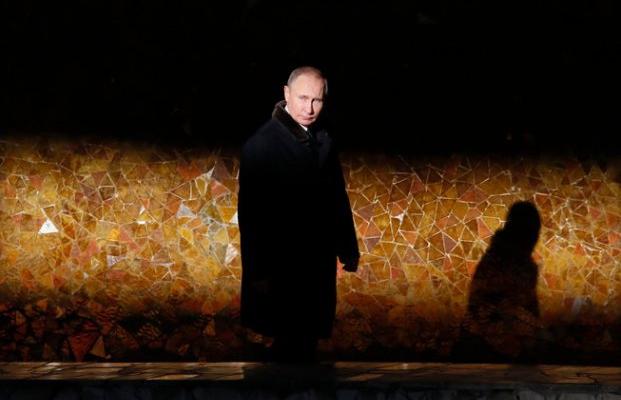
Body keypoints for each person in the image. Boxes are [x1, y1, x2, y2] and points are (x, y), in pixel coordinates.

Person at [237, 66, 360, 362]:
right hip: (282, 263)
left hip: (315, 259)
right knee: (288, 341)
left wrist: (347, 246)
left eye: (317, 100)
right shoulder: (263, 145)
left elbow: (336, 195)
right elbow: (251, 215)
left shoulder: (322, 137)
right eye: (303, 98)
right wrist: (258, 271)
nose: (309, 108)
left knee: (305, 340)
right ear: (286, 94)